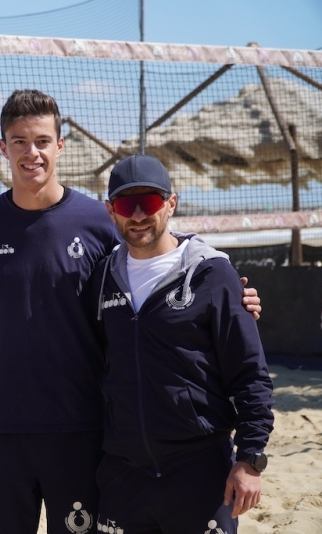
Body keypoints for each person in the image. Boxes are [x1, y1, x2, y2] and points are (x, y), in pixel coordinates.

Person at [0, 89, 262, 534]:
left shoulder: (99, 222)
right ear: (3, 147)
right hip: (2, 423)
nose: (31, 152)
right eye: (19, 141)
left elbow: (156, 253)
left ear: (60, 146)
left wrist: (234, 290)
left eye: (42, 140)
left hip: (83, 425)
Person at [88, 154, 274, 534]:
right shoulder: (102, 278)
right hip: (124, 474)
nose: (139, 214)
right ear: (111, 211)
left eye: (151, 202)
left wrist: (250, 460)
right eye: (126, 203)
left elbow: (250, 373)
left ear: (171, 203)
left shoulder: (212, 273)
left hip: (200, 469)